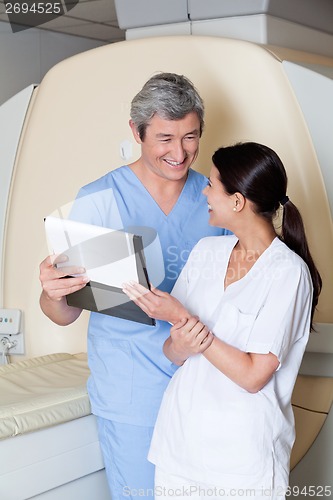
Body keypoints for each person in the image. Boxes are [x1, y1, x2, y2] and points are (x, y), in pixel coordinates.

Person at [39, 73, 230, 499]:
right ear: (136, 132)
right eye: (164, 138)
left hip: (204, 381)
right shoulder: (100, 199)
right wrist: (53, 292)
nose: (179, 153)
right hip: (131, 391)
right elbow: (66, 309)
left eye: (190, 137)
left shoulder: (214, 197)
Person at [122, 142, 322, 499]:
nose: (204, 191)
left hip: (241, 459)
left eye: (212, 184)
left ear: (237, 201)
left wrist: (183, 318)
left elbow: (252, 375)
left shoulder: (288, 274)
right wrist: (179, 340)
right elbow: (174, 353)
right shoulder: (205, 253)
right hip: (179, 448)